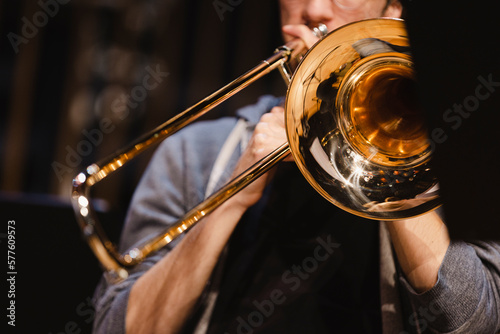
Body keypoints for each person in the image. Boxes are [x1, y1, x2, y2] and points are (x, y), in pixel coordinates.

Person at [93, 0, 500, 333]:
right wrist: (230, 199)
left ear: (394, 9)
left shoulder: (459, 160)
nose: (316, 10)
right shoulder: (194, 152)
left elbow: (475, 321)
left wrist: (385, 160)